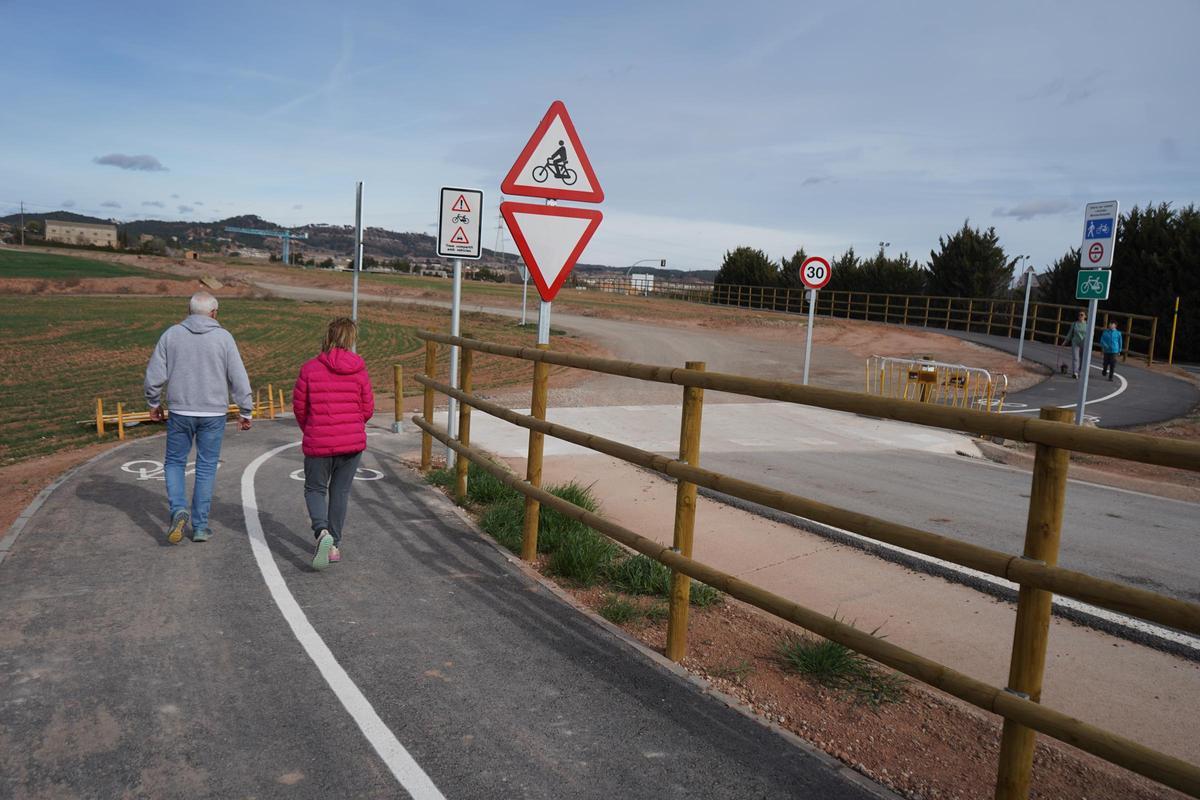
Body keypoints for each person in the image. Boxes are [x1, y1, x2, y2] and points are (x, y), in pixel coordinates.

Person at [144, 291, 253, 544]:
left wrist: (153, 401)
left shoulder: (171, 334)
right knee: (205, 467)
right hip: (213, 413)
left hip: (180, 411)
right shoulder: (224, 338)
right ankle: (201, 526)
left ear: (189, 309)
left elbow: (155, 373)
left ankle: (178, 509)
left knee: (174, 462)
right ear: (214, 313)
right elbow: (238, 377)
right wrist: (245, 411)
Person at [293, 318, 374, 570]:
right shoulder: (359, 370)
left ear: (328, 336)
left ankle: (321, 532)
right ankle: (334, 544)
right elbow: (368, 408)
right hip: (351, 444)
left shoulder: (309, 369)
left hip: (319, 440)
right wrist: (352, 425)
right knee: (340, 492)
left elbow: (299, 408)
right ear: (351, 340)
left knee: (315, 489)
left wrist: (312, 428)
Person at [1062, 310, 1089, 379]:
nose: (1080, 316)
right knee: (1075, 358)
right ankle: (1075, 372)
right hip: (1075, 342)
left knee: (1083, 358)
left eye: (1082, 315)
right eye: (1079, 315)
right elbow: (1070, 333)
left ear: (1085, 316)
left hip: (1084, 343)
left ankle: (1081, 370)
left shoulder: (1088, 325)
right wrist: (1065, 341)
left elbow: (1091, 334)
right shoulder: (1074, 324)